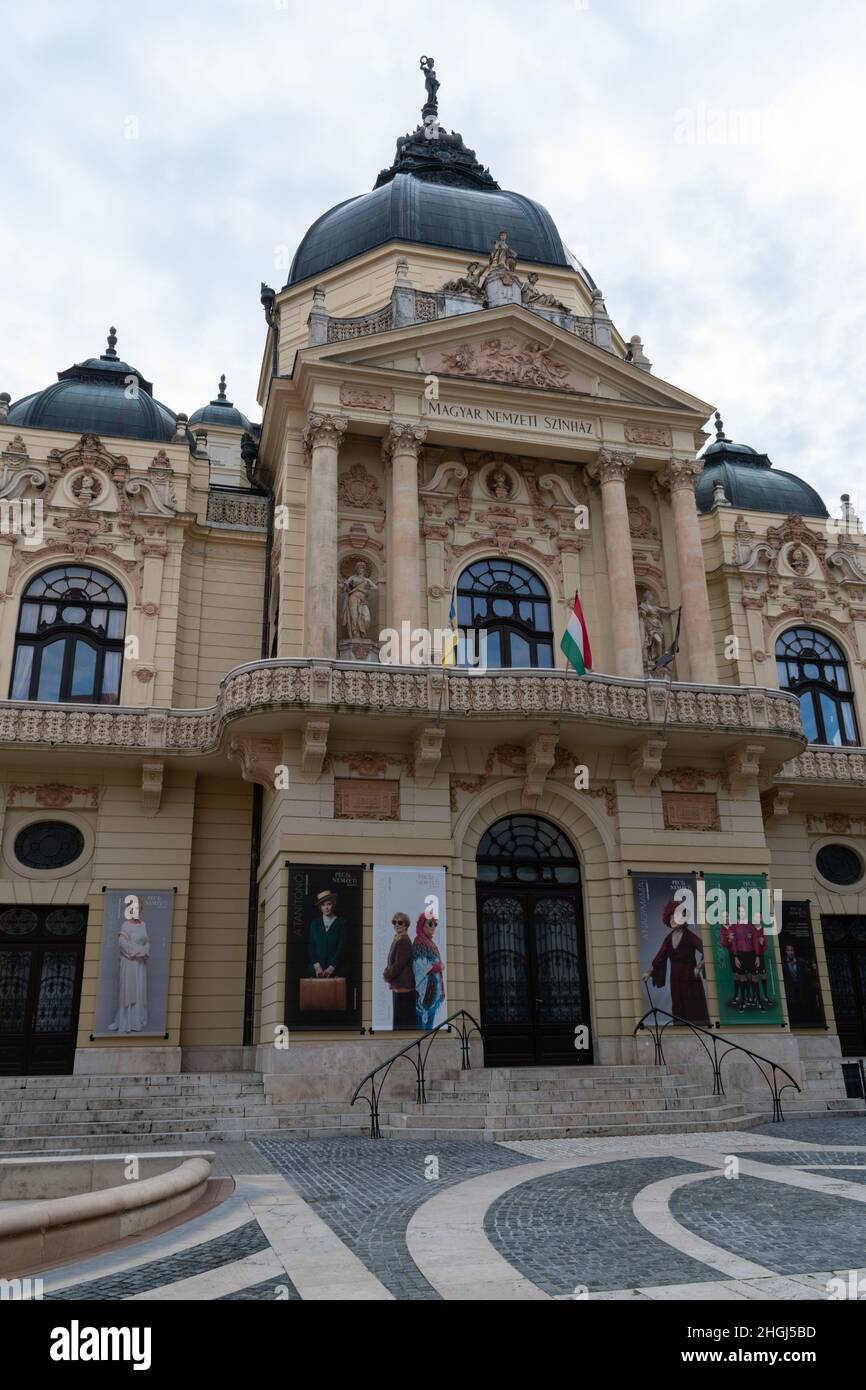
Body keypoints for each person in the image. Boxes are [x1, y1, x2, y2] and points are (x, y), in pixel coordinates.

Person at [641, 898, 708, 1024]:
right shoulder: (668, 939)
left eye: (675, 916)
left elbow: (707, 951)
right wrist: (649, 973)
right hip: (675, 980)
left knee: (694, 1009)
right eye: (670, 917)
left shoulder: (689, 936)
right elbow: (659, 959)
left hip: (690, 979)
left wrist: (698, 968)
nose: (672, 920)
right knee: (678, 1010)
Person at [107, 903, 149, 1033]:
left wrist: (144, 951)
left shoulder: (143, 925)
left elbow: (147, 942)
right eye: (134, 909)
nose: (137, 911)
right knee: (129, 989)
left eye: (139, 909)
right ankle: (127, 1022)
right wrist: (138, 952)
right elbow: (122, 944)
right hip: (129, 962)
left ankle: (137, 1021)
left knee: (139, 990)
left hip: (140, 964)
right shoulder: (126, 925)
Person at [412, 910, 445, 1030]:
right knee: (423, 1028)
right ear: (422, 925)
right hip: (425, 995)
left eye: (435, 924)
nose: (433, 927)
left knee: (429, 1028)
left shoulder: (429, 943)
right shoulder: (419, 943)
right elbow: (420, 967)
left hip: (433, 994)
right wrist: (438, 967)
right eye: (430, 924)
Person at [382, 911, 416, 1028]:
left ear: (406, 925)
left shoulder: (404, 941)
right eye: (394, 922)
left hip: (404, 989)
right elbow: (391, 962)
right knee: (399, 1024)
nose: (396, 924)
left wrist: (386, 975)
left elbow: (398, 965)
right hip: (399, 988)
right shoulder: (398, 939)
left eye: (400, 922)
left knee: (402, 1025)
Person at [308, 889, 347, 981]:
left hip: (337, 970)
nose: (326, 908)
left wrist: (332, 967)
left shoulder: (342, 923)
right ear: (320, 907)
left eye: (329, 904)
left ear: (334, 903)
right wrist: (317, 966)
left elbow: (342, 948)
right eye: (323, 905)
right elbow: (311, 946)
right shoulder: (315, 923)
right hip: (316, 971)